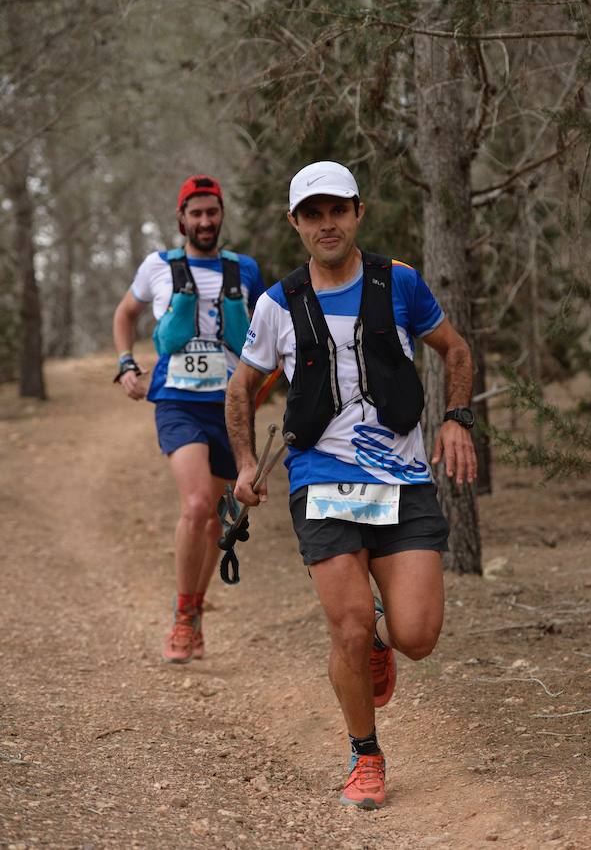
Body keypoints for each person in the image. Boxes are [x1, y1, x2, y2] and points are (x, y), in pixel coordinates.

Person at [225, 161, 477, 809]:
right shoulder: (279, 304)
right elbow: (242, 388)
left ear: (358, 212)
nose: (326, 224)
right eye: (313, 214)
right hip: (321, 481)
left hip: (403, 481)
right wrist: (247, 465)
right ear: (296, 224)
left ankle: (379, 642)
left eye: (337, 210)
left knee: (417, 636)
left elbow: (456, 349)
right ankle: (365, 754)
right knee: (348, 623)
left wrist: (456, 419)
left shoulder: (400, 283)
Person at [113, 174, 265, 664]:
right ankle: (181, 616)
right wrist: (125, 363)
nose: (204, 221)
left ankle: (195, 613)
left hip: (230, 408)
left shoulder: (244, 270)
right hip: (177, 402)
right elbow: (125, 314)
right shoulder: (158, 266)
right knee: (197, 504)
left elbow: (267, 334)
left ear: (222, 216)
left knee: (212, 526)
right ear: (181, 218)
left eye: (212, 212)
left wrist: (263, 390)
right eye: (195, 213)